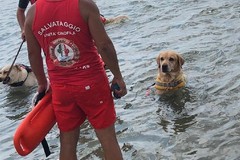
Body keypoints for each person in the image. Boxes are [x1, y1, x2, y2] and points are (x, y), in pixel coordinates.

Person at [24, 0, 127, 159]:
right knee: (107, 139)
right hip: (92, 83)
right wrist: (118, 76)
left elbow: (33, 54)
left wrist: (42, 83)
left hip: (60, 88)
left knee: (67, 142)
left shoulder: (32, 13)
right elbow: (104, 45)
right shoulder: (85, 5)